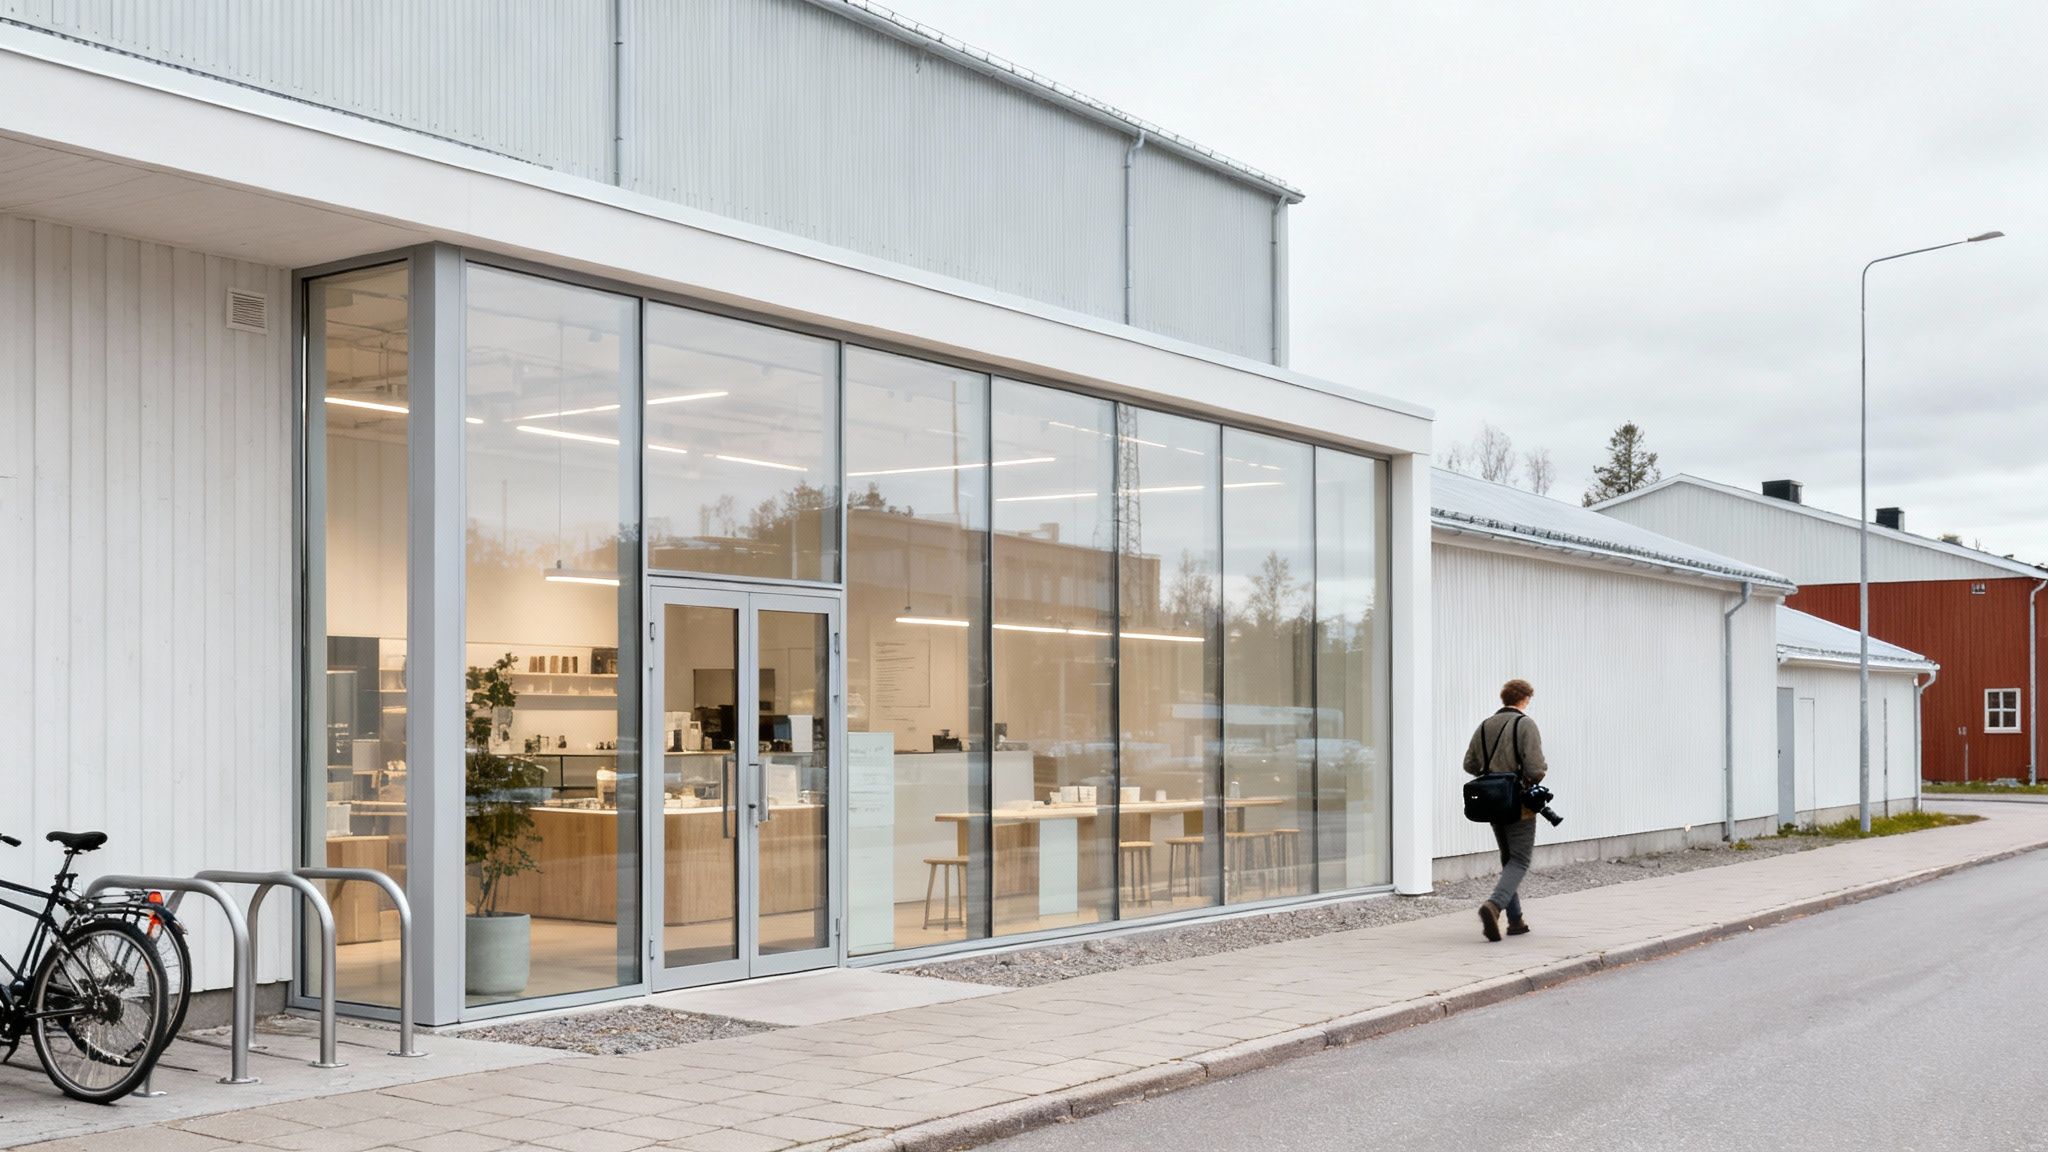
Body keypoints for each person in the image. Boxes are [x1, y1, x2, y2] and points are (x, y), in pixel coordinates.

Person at [1462, 678, 1548, 942]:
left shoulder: (1485, 725)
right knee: (1520, 859)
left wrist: (1492, 774)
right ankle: (1494, 905)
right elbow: (1535, 768)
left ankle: (1515, 920)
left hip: (1492, 800)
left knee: (1508, 857)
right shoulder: (1525, 724)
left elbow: (1469, 764)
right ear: (1524, 699)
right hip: (1518, 801)